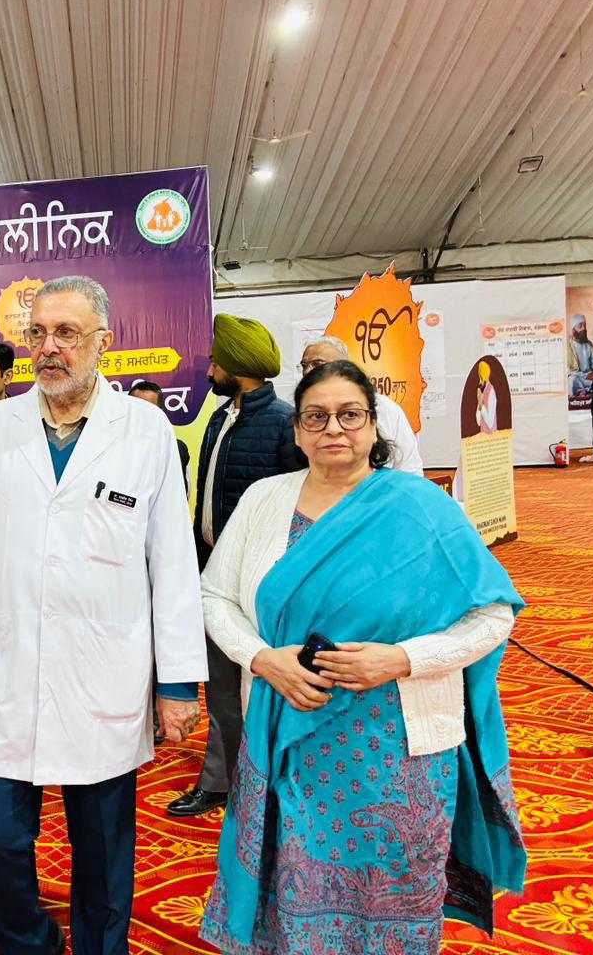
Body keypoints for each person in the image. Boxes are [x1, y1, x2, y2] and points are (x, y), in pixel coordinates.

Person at [197, 360, 526, 954]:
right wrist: (262, 658)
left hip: (402, 751)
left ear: (374, 425)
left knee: (397, 893)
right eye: (316, 417)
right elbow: (215, 596)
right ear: (297, 431)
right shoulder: (264, 500)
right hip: (290, 735)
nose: (333, 429)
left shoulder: (422, 507)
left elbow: (493, 616)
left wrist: (402, 659)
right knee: (295, 884)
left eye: (350, 415)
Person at [0, 275, 207, 955]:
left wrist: (176, 683)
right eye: (38, 334)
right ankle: (29, 943)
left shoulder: (144, 432)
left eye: (67, 334)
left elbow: (172, 562)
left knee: (104, 852)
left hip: (104, 676)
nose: (49, 348)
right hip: (4, 669)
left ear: (103, 342)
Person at [168, 314, 300, 819]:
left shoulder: (282, 423)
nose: (210, 369)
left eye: (216, 361)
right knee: (222, 686)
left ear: (237, 365)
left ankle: (269, 785)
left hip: (263, 583)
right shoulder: (221, 418)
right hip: (214, 575)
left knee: (264, 688)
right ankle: (222, 782)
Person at [299, 337, 425, 476]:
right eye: (305, 365)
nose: (308, 371)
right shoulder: (301, 411)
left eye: (317, 364)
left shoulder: (385, 409)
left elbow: (409, 467)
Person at [129, 379, 191, 495]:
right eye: (136, 408)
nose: (142, 415)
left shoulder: (176, 449)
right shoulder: (113, 446)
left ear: (161, 412)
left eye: (149, 409)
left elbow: (182, 496)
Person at [568, 313, 593, 402]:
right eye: (580, 326)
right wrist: (586, 376)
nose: (584, 328)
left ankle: (584, 391)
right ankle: (583, 392)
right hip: (578, 379)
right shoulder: (568, 346)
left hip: (589, 380)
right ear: (573, 329)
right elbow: (568, 371)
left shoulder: (588, 344)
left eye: (584, 325)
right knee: (572, 380)